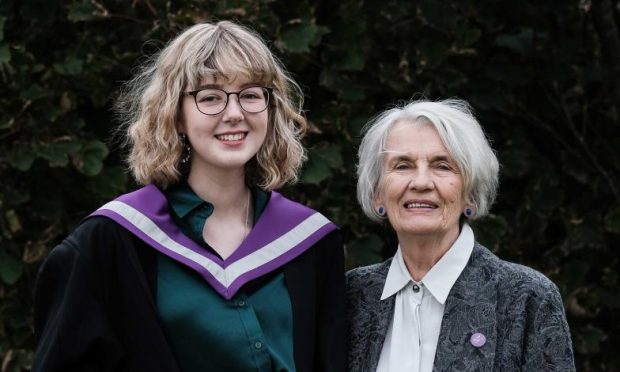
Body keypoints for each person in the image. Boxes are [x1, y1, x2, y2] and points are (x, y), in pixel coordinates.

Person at [33, 21, 346, 372]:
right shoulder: (114, 240)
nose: (234, 113)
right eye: (210, 97)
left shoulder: (311, 242)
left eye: (251, 95)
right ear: (176, 116)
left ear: (271, 110)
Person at [347, 99, 575, 371]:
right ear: (377, 194)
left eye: (442, 166)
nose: (421, 182)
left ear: (470, 194)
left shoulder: (526, 298)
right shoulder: (352, 296)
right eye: (402, 165)